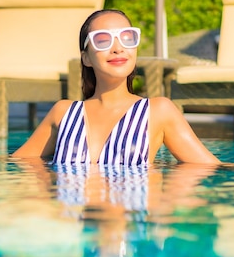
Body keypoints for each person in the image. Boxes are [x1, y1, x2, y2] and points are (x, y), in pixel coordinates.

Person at [12, 9, 220, 165]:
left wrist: (165, 202)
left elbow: (207, 169)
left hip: (132, 219)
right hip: (74, 220)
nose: (118, 48)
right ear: (86, 58)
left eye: (127, 38)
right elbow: (18, 165)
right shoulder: (63, 113)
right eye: (103, 40)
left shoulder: (158, 111)